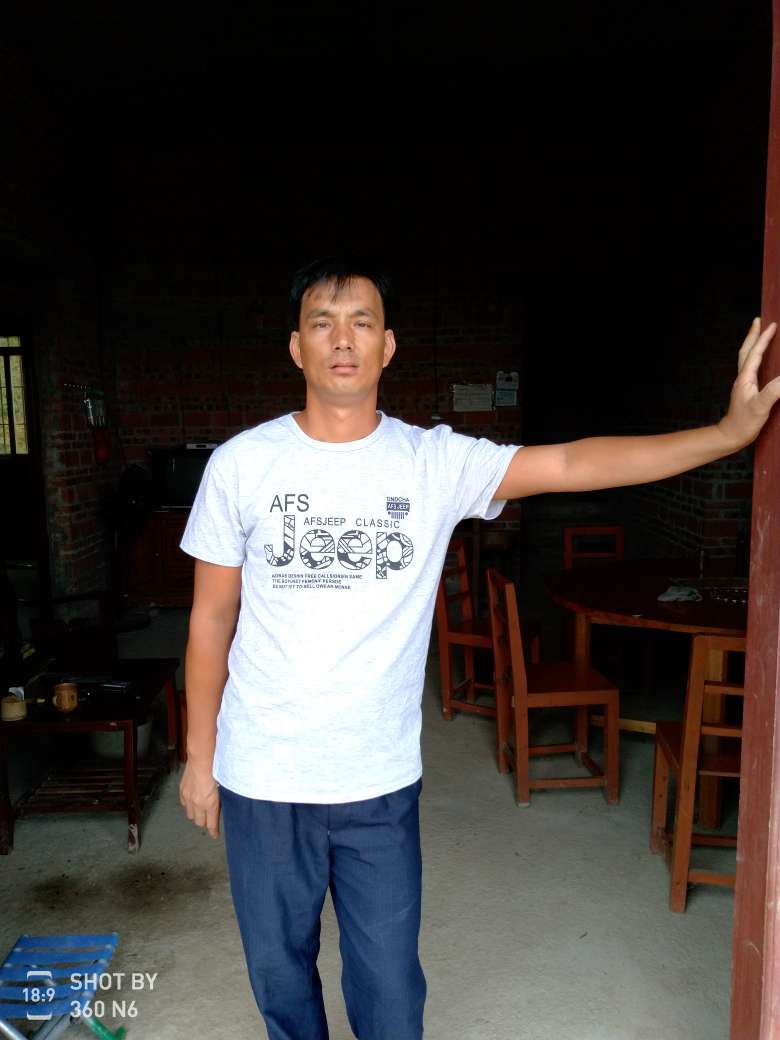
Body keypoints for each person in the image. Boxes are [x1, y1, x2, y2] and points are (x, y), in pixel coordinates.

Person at [178, 256, 779, 1040]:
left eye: (361, 322)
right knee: (278, 974)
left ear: (388, 346)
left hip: (377, 779)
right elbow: (210, 619)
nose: (342, 340)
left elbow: (570, 462)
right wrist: (200, 758)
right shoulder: (242, 464)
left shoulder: (434, 462)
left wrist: (726, 435)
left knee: (390, 987)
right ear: (296, 347)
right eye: (322, 323)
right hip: (262, 771)